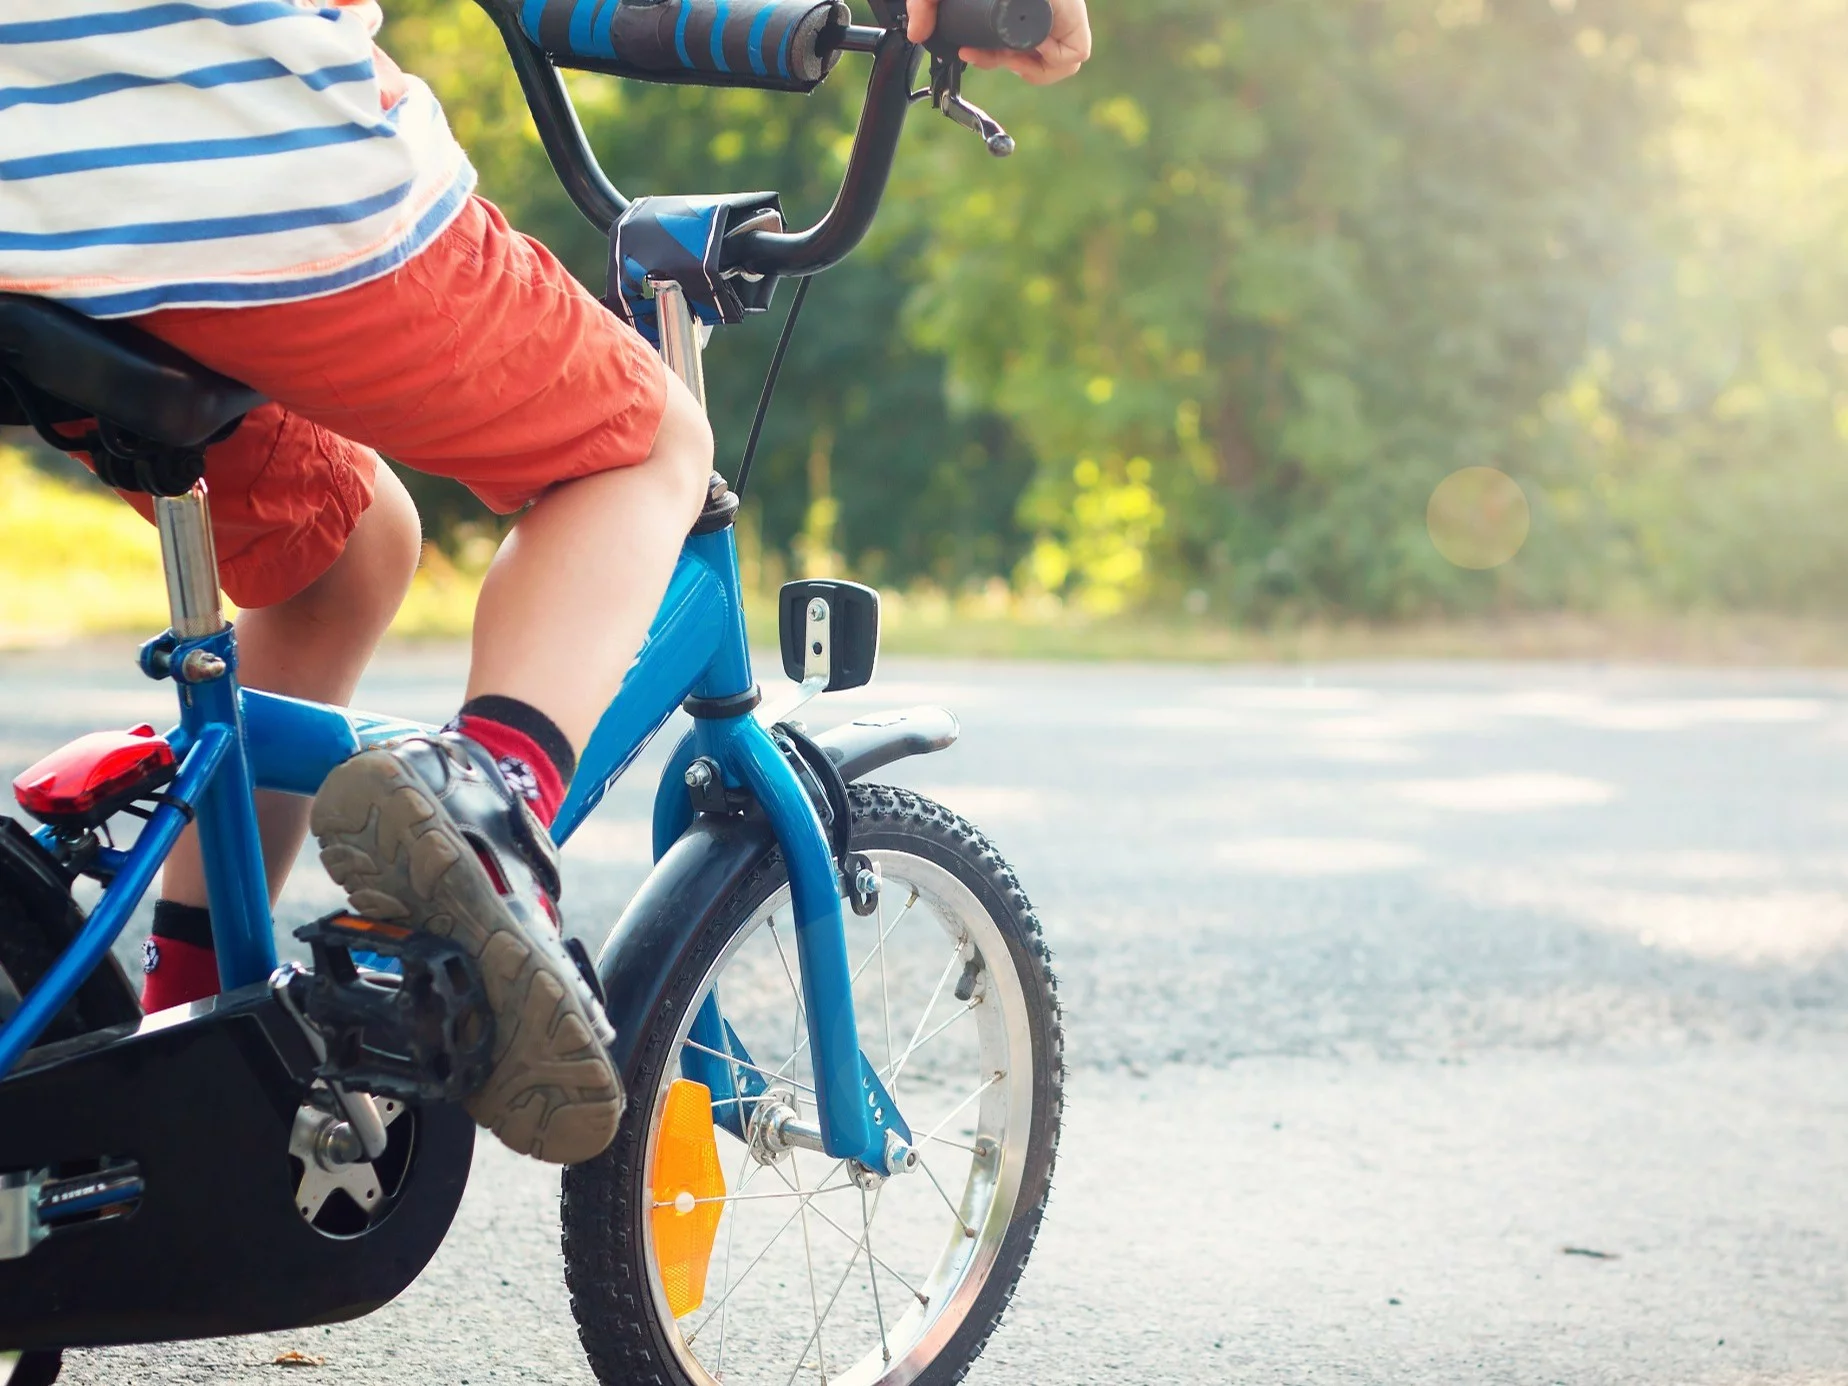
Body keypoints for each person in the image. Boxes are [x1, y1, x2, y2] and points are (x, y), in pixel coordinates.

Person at [0, 0, 1088, 1165]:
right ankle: (487, 816)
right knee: (646, 447)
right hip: (223, 149)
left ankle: (186, 1082)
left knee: (345, 547)